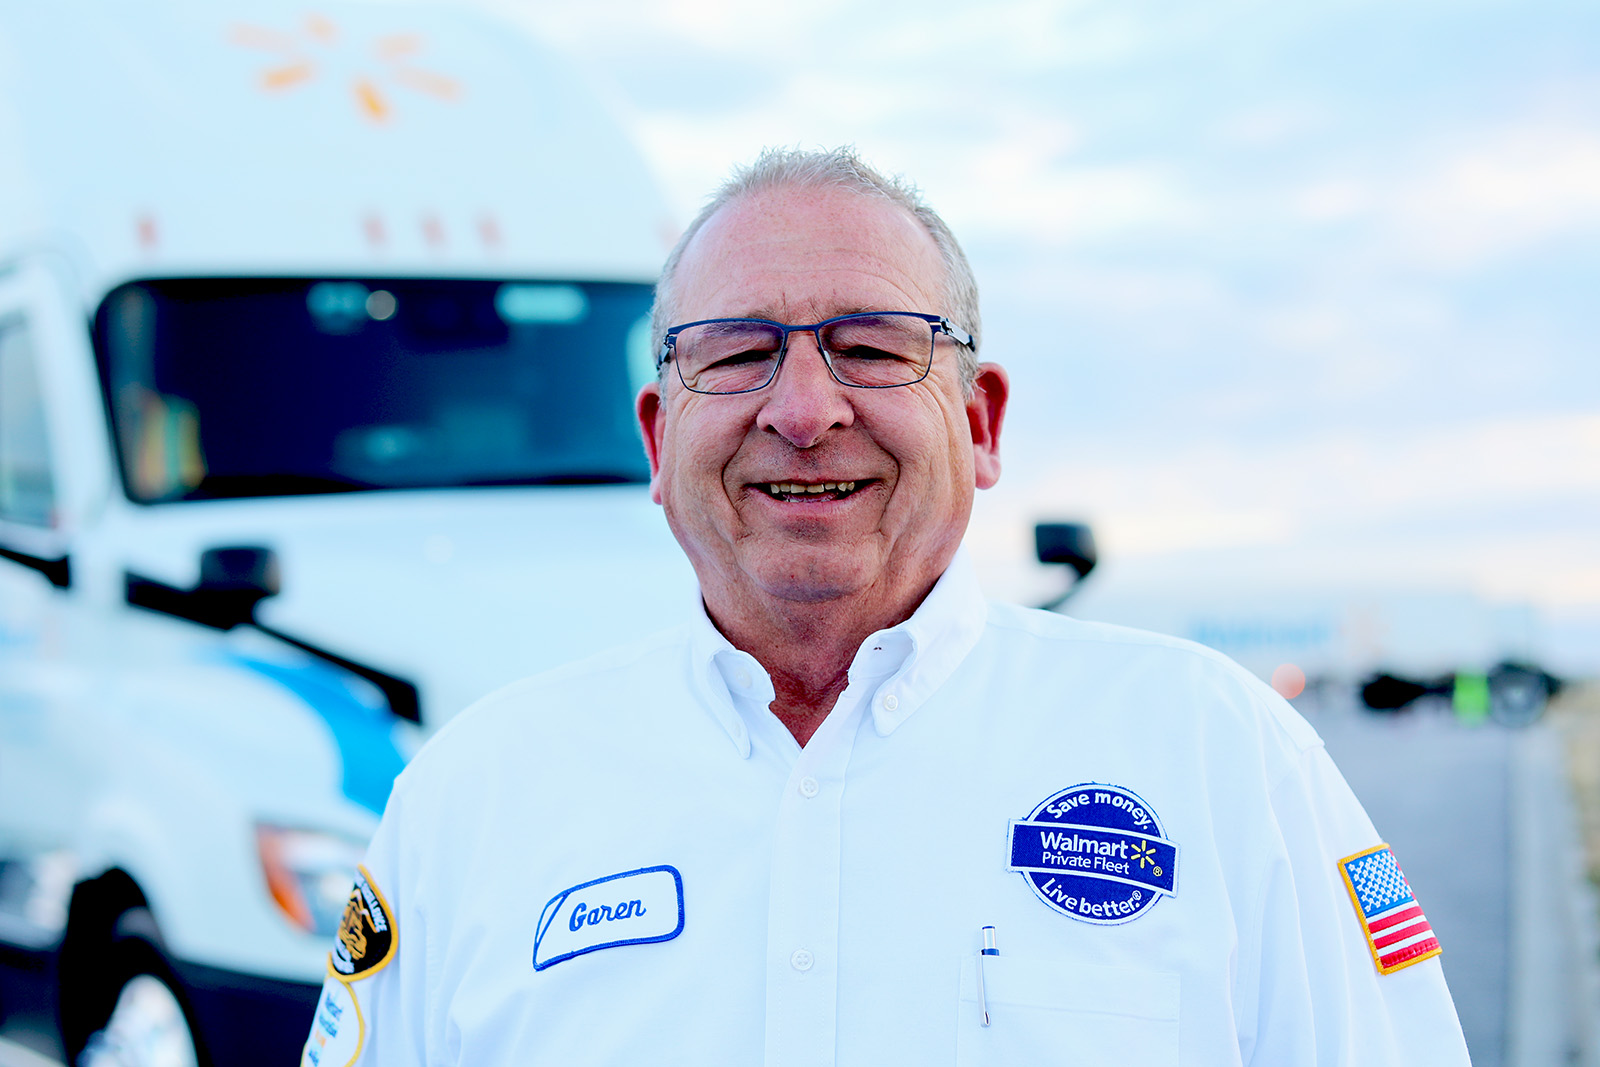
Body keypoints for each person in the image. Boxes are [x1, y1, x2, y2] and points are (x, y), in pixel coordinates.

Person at [302, 147, 1470, 1066]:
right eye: (736, 352)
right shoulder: (474, 796)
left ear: (980, 422)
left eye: (870, 347)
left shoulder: (1220, 754)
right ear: (660, 437)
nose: (803, 409)